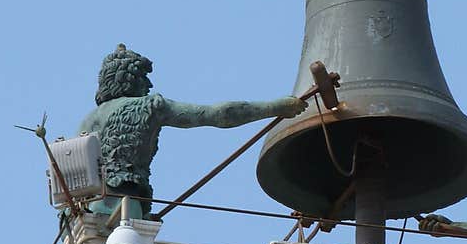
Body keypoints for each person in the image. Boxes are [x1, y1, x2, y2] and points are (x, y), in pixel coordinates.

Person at [78, 44, 307, 218]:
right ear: (129, 80)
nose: (148, 86)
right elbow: (219, 115)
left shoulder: (86, 122)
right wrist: (276, 108)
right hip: (123, 207)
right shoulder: (148, 106)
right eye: (144, 78)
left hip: (85, 213)